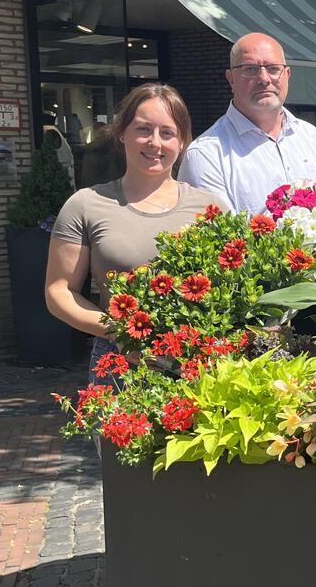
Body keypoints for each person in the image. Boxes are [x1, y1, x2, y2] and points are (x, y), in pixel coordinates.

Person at [45, 83, 225, 384]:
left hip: (199, 364)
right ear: (121, 133)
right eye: (143, 129)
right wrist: (117, 330)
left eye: (167, 133)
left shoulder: (210, 208)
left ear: (182, 142)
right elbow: (58, 291)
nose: (155, 142)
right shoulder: (87, 205)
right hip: (119, 362)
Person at [179, 33, 316, 212]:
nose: (264, 78)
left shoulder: (311, 136)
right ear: (231, 79)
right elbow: (219, 236)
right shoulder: (206, 155)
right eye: (250, 69)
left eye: (273, 68)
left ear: (287, 75)